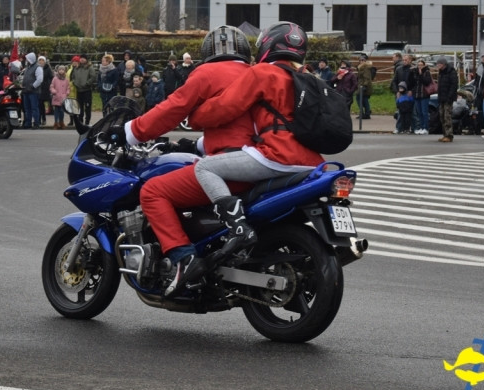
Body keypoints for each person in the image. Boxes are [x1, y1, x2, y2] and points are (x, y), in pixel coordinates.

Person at [114, 25, 255, 296]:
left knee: (153, 191)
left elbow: (173, 108)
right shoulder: (255, 73)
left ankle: (184, 259)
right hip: (260, 160)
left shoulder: (206, 73)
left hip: (230, 168)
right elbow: (240, 126)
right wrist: (199, 144)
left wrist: (130, 131)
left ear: (207, 52)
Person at [189, 22, 324, 276]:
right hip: (313, 162)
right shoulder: (307, 77)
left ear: (267, 45)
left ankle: (237, 228)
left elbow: (225, 106)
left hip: (279, 155)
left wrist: (193, 116)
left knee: (205, 167)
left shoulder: (262, 73)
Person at [435, 56, 458, 142]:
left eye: (439, 64)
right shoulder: (441, 72)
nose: (438, 66)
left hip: (448, 98)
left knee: (447, 116)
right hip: (442, 97)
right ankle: (445, 134)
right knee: (442, 116)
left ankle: (449, 135)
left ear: (443, 64)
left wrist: (450, 97)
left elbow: (453, 85)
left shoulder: (451, 72)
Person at [408, 58, 433, 134]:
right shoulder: (415, 72)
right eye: (418, 65)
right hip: (417, 94)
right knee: (419, 112)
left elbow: (426, 82)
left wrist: (421, 74)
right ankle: (421, 127)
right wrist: (411, 72)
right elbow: (412, 82)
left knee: (424, 112)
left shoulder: (427, 72)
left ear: (424, 65)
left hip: (424, 95)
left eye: (421, 65)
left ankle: (426, 128)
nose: (419, 66)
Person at [20, 52, 43, 129]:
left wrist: (33, 86)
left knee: (34, 108)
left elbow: (40, 79)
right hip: (26, 91)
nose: (26, 61)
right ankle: (28, 122)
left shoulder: (38, 67)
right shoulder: (27, 68)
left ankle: (36, 123)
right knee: (27, 108)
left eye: (27, 59)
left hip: (33, 91)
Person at [71, 54, 95, 125]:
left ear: (86, 59)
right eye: (81, 58)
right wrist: (75, 83)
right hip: (79, 90)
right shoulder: (76, 68)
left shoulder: (90, 68)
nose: (82, 60)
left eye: (84, 58)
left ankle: (87, 121)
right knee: (80, 107)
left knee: (87, 107)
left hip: (87, 90)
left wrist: (87, 83)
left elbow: (93, 77)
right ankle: (80, 120)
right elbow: (73, 77)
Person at [50, 64, 70, 129]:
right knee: (56, 111)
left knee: (62, 111)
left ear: (65, 71)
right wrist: (53, 91)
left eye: (63, 70)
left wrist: (67, 93)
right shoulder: (55, 78)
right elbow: (52, 86)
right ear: (58, 70)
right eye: (60, 70)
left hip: (63, 98)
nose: (61, 71)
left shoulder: (66, 79)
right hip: (56, 97)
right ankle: (56, 122)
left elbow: (68, 87)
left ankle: (61, 122)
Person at [356, 53, 373, 119]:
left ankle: (365, 113)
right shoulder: (361, 67)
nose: (361, 61)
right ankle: (366, 113)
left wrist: (365, 86)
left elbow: (367, 78)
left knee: (359, 98)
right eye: (360, 60)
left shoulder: (366, 68)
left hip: (364, 86)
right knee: (364, 99)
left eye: (363, 60)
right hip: (361, 85)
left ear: (365, 61)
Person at [39, 55, 54, 125]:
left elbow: (52, 77)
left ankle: (50, 112)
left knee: (49, 101)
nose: (41, 62)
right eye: (40, 60)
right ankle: (41, 119)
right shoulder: (37, 68)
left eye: (42, 60)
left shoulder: (48, 68)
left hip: (46, 88)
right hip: (39, 88)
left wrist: (49, 84)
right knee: (40, 105)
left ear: (44, 61)